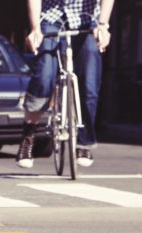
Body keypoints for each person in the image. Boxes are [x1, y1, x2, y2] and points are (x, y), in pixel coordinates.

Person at [16, 0, 115, 169]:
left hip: (87, 19)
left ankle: (84, 144)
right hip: (50, 19)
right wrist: (35, 29)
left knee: (89, 83)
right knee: (44, 75)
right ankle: (28, 135)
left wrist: (103, 25)